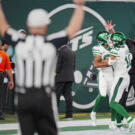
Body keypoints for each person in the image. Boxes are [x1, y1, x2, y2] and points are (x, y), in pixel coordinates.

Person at [0, 0, 85, 134]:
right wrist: (79, 6)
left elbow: (3, 26)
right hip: (44, 96)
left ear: (28, 24)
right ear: (45, 26)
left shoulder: (19, 42)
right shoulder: (50, 43)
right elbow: (72, 29)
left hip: (23, 96)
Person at [90, 31, 114, 126]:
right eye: (107, 38)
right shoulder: (98, 48)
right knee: (103, 94)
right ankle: (93, 113)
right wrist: (109, 62)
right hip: (103, 73)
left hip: (112, 74)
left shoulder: (112, 47)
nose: (110, 40)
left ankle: (113, 121)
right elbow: (96, 63)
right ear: (103, 41)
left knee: (113, 99)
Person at [55, 44, 75, 121]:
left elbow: (58, 65)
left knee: (56, 97)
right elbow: (73, 66)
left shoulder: (60, 52)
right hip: (70, 78)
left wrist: (54, 74)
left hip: (60, 78)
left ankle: (54, 116)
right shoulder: (72, 52)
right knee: (68, 97)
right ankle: (69, 116)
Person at [0, 40, 14, 120]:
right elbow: (8, 70)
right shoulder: (4, 55)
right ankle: (1, 114)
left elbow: (8, 69)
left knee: (2, 95)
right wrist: (11, 80)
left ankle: (1, 113)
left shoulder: (5, 55)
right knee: (2, 95)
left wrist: (11, 80)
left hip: (1, 75)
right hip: (1, 75)